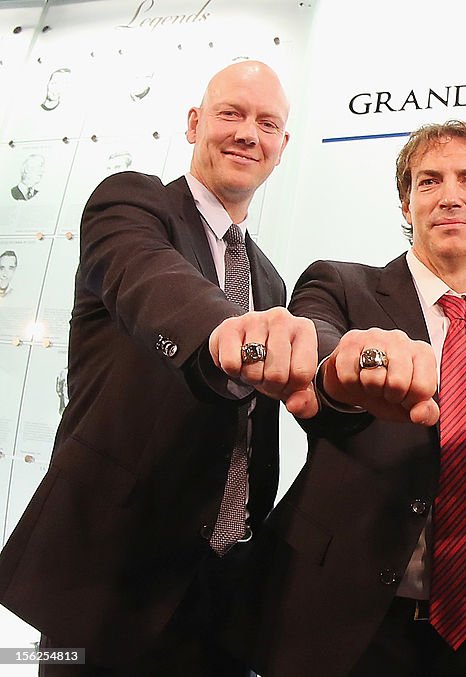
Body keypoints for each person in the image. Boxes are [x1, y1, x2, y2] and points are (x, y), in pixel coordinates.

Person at [0, 60, 318, 676]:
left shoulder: (272, 280)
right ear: (195, 123)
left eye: (267, 123)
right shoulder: (132, 203)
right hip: (106, 577)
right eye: (231, 114)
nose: (248, 133)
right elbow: (149, 278)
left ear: (282, 147)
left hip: (219, 587)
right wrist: (224, 330)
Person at [228, 120, 466, 676]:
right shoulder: (341, 286)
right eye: (429, 182)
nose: (450, 196)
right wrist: (348, 369)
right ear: (406, 205)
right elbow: (321, 355)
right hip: (342, 630)